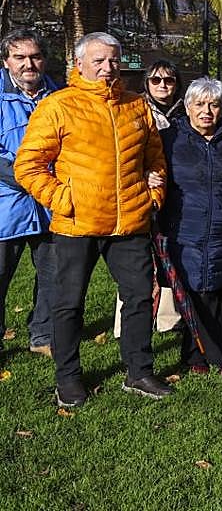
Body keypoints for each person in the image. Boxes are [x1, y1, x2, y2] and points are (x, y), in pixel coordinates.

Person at [15, 32, 173, 406]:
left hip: (130, 222)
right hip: (77, 224)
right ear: (80, 63)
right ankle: (68, 378)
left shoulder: (136, 105)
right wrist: (62, 199)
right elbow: (28, 165)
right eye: (99, 61)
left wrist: (153, 194)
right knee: (68, 303)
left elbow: (156, 160)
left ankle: (139, 372)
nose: (107, 68)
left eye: (113, 60)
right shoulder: (59, 106)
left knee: (137, 298)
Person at [161, 78, 222, 377]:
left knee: (213, 290)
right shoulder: (171, 139)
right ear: (188, 107)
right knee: (194, 290)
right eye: (200, 104)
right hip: (184, 229)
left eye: (213, 105)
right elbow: (153, 171)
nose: (207, 111)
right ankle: (216, 356)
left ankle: (196, 356)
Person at [114, 60, 183, 337]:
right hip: (142, 192)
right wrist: (145, 175)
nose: (163, 86)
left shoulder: (187, 110)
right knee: (135, 262)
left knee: (171, 255)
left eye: (169, 80)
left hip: (177, 194)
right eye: (156, 80)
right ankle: (124, 322)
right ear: (147, 83)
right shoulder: (135, 109)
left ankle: (168, 318)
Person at [0, 29, 58, 359]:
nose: (28, 64)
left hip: (50, 205)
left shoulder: (60, 95)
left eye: (35, 57)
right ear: (6, 61)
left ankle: (44, 336)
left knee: (53, 276)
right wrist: (29, 178)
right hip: (6, 204)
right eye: (20, 57)